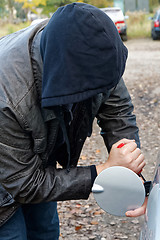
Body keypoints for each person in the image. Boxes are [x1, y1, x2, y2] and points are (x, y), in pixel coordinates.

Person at [0, 3, 146, 240]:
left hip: (35, 163)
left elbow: (117, 111)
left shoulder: (93, 52)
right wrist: (102, 171)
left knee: (45, 232)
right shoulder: (8, 96)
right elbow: (24, 184)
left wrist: (133, 175)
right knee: (13, 233)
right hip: (6, 175)